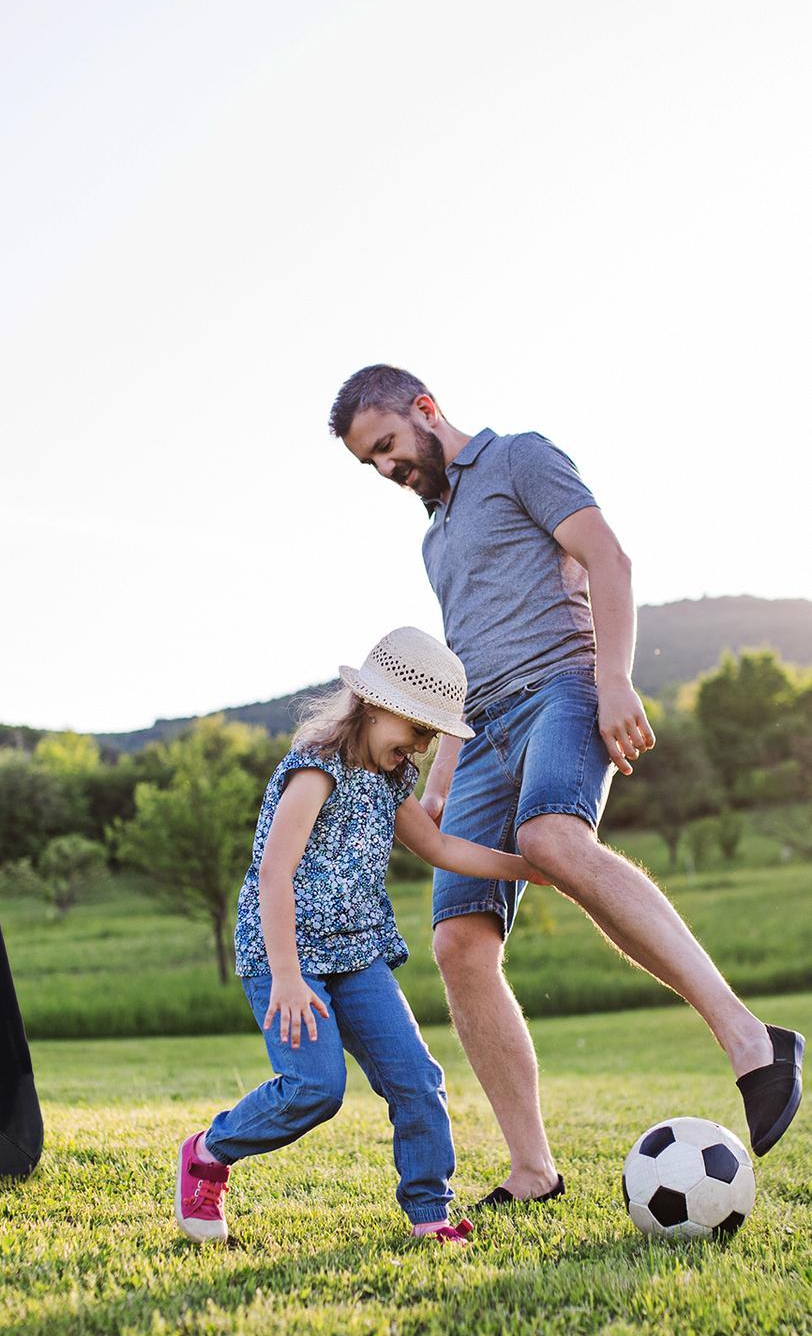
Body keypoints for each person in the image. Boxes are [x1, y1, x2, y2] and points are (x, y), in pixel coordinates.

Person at [329, 363, 803, 1206]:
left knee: (552, 838)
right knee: (458, 944)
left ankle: (752, 1041)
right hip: (481, 733)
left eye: (390, 448)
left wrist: (614, 679)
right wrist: (438, 782)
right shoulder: (434, 541)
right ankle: (532, 1170)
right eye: (373, 465)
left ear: (426, 410)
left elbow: (608, 558)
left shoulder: (520, 458)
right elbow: (460, 672)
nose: (389, 472)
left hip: (563, 687)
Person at [174, 627, 551, 1246]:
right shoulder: (316, 769)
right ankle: (208, 1152)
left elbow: (438, 845)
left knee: (417, 1079)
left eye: (431, 738)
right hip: (287, 955)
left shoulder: (390, 779)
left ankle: (430, 1215)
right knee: (315, 1089)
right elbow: (274, 872)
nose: (423, 750)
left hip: (358, 953)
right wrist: (289, 978)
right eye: (418, 732)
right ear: (379, 707)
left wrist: (530, 867)